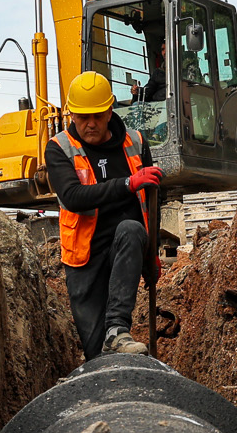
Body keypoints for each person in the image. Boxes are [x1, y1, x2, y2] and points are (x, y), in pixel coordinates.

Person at [46, 70, 163, 359]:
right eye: (83, 117)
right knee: (95, 352)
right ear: (72, 114)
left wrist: (152, 252)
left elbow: (153, 202)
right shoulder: (59, 148)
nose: (90, 123)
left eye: (97, 115)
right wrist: (127, 183)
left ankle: (118, 329)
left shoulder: (135, 142)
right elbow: (72, 197)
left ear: (110, 111)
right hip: (85, 256)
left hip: (125, 245)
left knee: (131, 229)